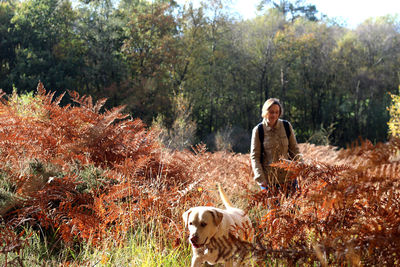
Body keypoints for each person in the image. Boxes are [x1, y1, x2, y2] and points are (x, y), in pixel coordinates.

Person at [250, 98, 301, 191]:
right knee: (273, 206)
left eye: (277, 112)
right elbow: (255, 157)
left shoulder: (286, 126)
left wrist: (302, 169)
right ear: (265, 112)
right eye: (271, 112)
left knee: (293, 206)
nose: (274, 115)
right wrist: (260, 178)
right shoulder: (258, 130)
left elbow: (295, 150)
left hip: (289, 178)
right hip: (269, 181)